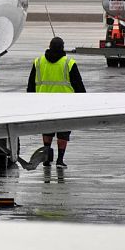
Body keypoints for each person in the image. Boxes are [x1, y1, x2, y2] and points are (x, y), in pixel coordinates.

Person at [27, 36, 86, 167]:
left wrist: (30, 99)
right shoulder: (69, 63)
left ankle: (47, 158)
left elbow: (31, 83)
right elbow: (78, 85)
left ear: (49, 46)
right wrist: (83, 100)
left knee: (47, 130)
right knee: (63, 133)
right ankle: (60, 160)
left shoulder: (38, 62)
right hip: (65, 104)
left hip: (43, 102)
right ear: (62, 47)